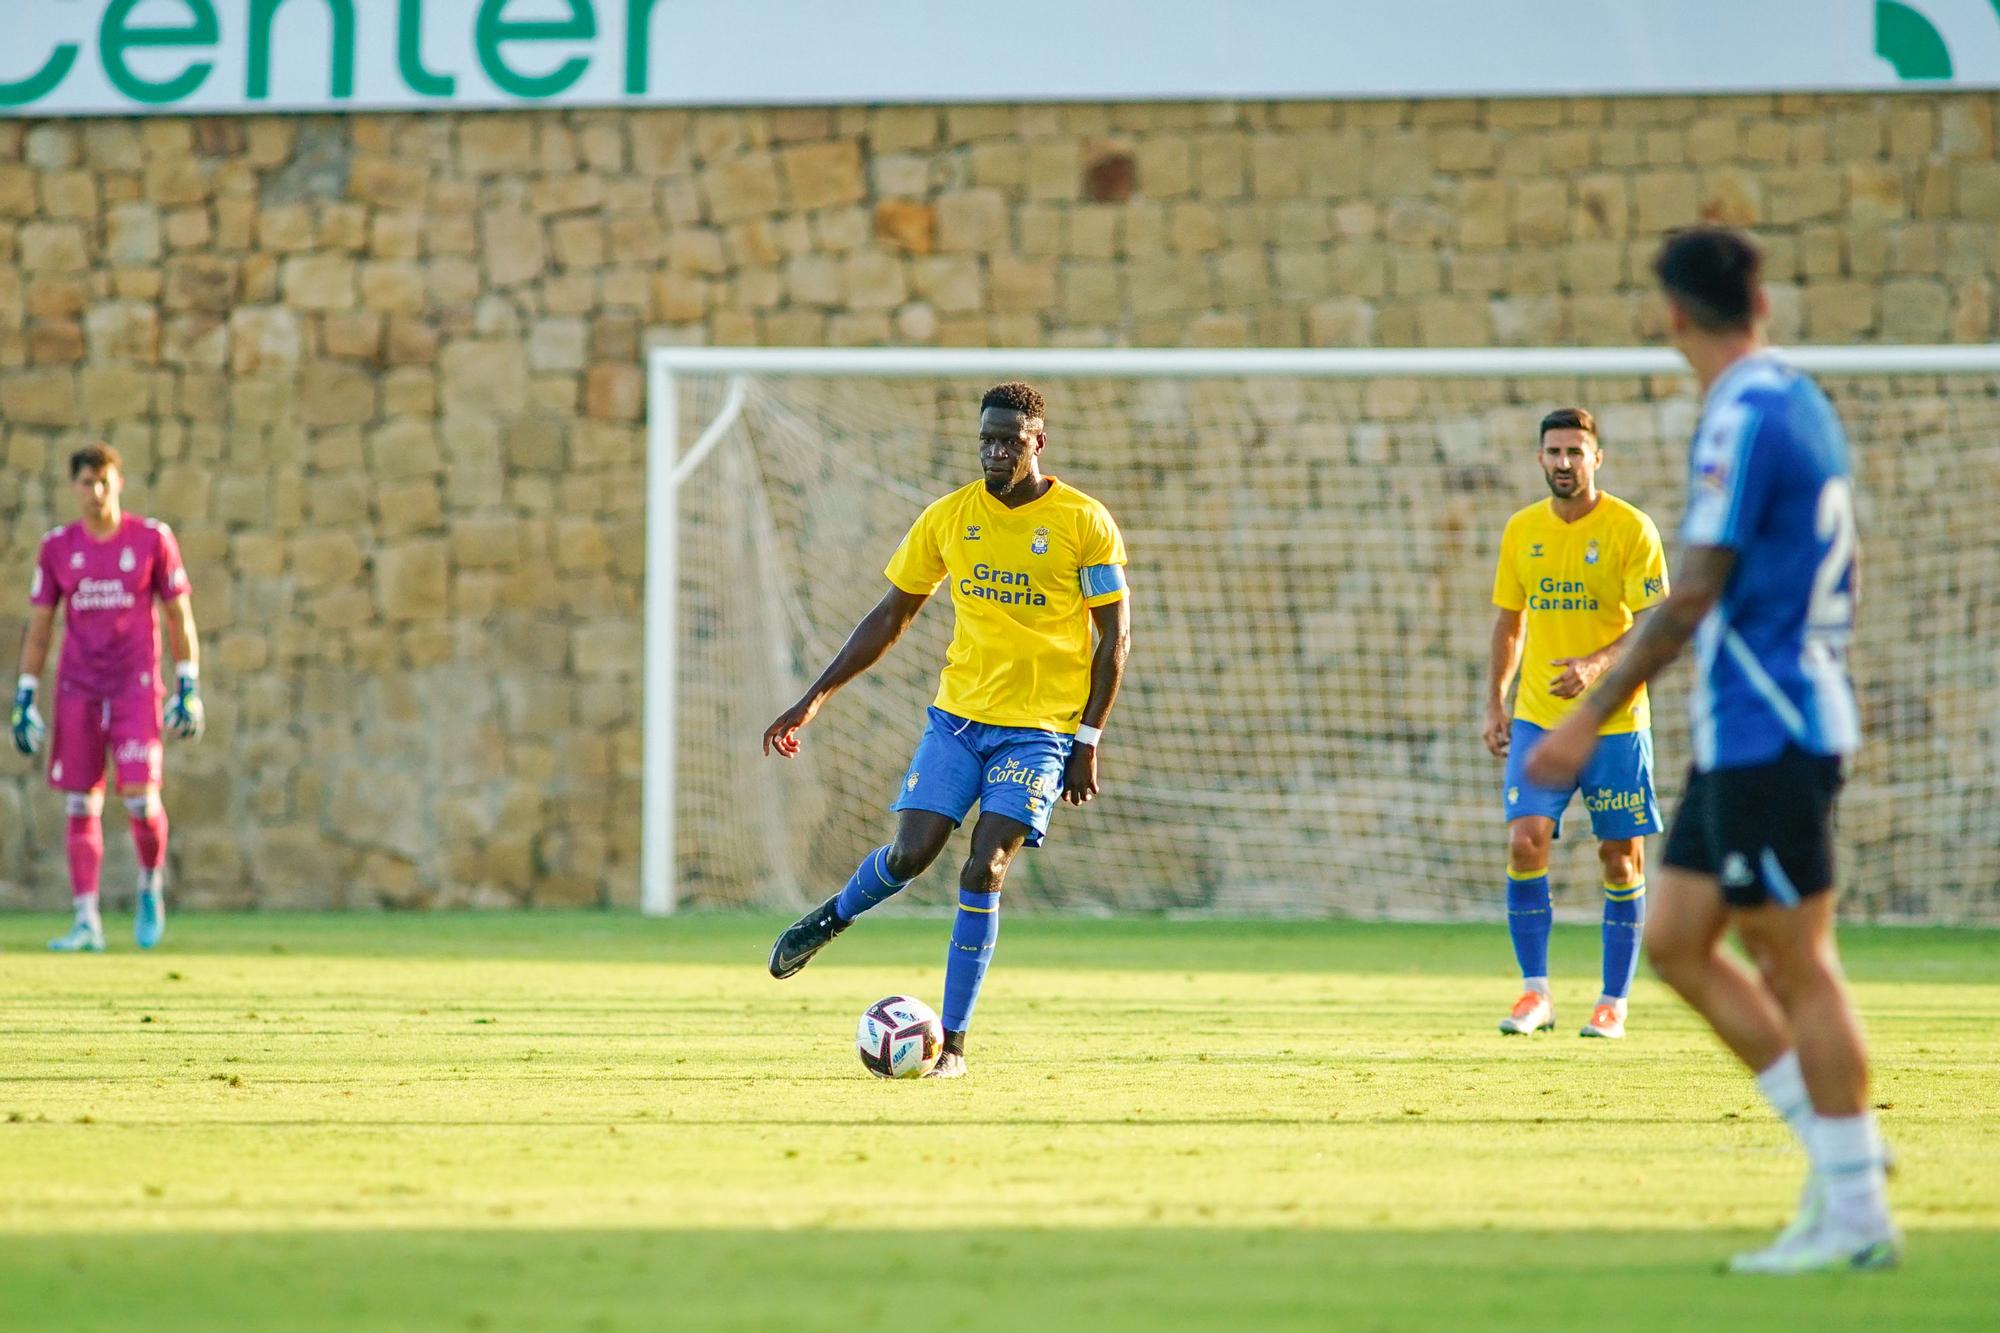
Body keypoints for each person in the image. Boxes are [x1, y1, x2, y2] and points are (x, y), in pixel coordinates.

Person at [1527, 227, 1895, 1272]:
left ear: (1673, 314)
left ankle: (1855, 1202)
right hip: (1753, 730)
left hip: (1771, 729)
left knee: (1795, 961)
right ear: (1760, 301)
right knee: (1679, 940)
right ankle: (1841, 1154)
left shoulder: (1740, 414)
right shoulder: (1801, 399)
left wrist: (1584, 717)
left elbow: (1689, 593)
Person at [761, 382, 1131, 1079]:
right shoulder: (949, 517)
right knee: (911, 855)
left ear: (1038, 442)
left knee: (984, 865)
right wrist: (813, 698)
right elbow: (890, 616)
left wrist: (1088, 739)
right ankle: (831, 918)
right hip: (958, 721)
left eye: (1010, 441)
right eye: (987, 439)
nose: (996, 452)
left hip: (1038, 733)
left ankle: (953, 1047)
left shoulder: (1084, 522)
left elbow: (1115, 638)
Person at [1484, 408, 1668, 1039]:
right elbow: (1510, 621)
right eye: (1554, 452)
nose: (1564, 463)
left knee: (1620, 860)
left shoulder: (1631, 528)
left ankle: (1613, 1002)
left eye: (1575, 452)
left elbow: (1655, 622)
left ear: (1597, 458)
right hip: (1538, 719)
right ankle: (1535, 993)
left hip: (1613, 722)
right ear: (1540, 458)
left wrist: (1594, 665)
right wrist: (1495, 702)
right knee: (1524, 841)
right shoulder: (1522, 530)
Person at [12, 444, 204, 952]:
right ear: (73, 487)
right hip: (78, 688)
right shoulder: (58, 547)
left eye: (104, 482)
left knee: (142, 799)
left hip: (134, 687)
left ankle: (149, 884)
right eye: (86, 483)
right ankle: (86, 921)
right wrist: (25, 696)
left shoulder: (152, 539)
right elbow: (40, 629)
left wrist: (188, 684)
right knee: (81, 801)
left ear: (118, 483)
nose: (96, 492)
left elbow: (178, 616)